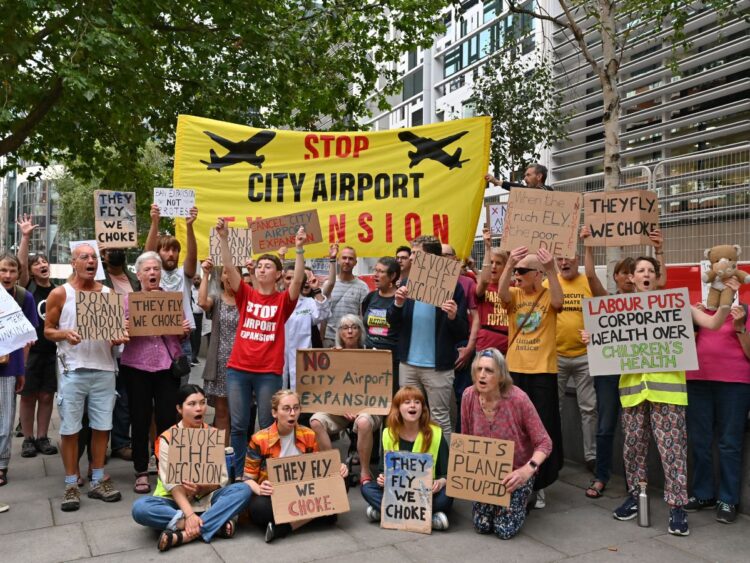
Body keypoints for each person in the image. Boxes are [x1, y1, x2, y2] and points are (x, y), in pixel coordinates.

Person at [582, 256, 732, 536]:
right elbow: (602, 338)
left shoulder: (674, 305)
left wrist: (726, 299)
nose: (646, 274)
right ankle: (635, 498)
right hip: (633, 392)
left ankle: (677, 507)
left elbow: (711, 324)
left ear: (655, 276)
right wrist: (593, 338)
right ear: (632, 278)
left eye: (650, 270)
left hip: (668, 393)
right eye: (640, 270)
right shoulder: (618, 311)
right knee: (633, 450)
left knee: (672, 451)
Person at [580, 225, 667, 499]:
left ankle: (636, 484)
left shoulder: (650, 301)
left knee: (637, 432)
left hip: (639, 376)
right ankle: (602, 476)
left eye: (636, 272)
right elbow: (591, 276)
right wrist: (589, 245)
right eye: (626, 273)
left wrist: (659, 250)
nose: (631, 278)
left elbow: (661, 283)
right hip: (609, 374)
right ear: (616, 276)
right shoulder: (607, 303)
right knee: (606, 426)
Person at [217, 218, 306, 476]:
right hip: (238, 370)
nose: (262, 269)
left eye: (268, 266)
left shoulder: (283, 301)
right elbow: (230, 269)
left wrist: (299, 250)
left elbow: (298, 282)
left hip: (268, 372)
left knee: (268, 424)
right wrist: (223, 238)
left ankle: (266, 473)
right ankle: (239, 475)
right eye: (259, 266)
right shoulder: (245, 294)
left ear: (278, 274)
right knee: (238, 426)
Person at [45, 244, 128, 511]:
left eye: (94, 258)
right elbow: (48, 330)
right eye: (85, 257)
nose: (91, 261)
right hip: (73, 371)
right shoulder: (60, 293)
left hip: (104, 370)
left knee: (102, 427)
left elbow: (117, 335)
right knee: (70, 429)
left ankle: (97, 479)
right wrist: (64, 334)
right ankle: (71, 483)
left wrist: (118, 338)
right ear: (73, 263)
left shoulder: (107, 293)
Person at [131, 384, 251, 551]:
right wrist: (189, 514)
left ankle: (184, 534)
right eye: (192, 404)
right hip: (174, 502)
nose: (199, 408)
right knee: (140, 508)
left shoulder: (212, 433)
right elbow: (172, 485)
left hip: (207, 499)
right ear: (179, 409)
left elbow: (221, 480)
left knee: (243, 490)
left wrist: (202, 486)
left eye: (202, 403)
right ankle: (209, 524)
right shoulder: (167, 438)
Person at [461, 348, 552, 539]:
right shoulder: (468, 396)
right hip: (485, 474)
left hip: (516, 473)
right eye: (478, 369)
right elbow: (466, 439)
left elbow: (544, 442)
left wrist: (527, 471)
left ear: (501, 375)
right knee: (482, 526)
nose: (482, 375)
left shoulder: (519, 399)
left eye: (489, 370)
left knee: (504, 530)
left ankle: (527, 496)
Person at [498, 246, 563, 509]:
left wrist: (552, 269)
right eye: (516, 271)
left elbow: (559, 302)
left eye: (522, 271)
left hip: (543, 372)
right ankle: (515, 479)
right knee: (515, 428)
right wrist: (509, 264)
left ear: (537, 274)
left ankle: (540, 483)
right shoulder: (514, 294)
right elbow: (501, 293)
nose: (517, 275)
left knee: (542, 429)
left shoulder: (548, 295)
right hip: (515, 370)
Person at [121, 251, 191, 494]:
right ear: (138, 274)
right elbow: (120, 334)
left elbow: (181, 333)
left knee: (166, 420)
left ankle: (165, 469)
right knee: (139, 419)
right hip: (136, 366)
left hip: (166, 367)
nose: (152, 273)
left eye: (156, 269)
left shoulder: (172, 299)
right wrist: (125, 327)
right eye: (147, 269)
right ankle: (141, 470)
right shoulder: (128, 301)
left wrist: (183, 330)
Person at [387, 235, 468, 441]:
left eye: (417, 254)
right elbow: (393, 323)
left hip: (437, 368)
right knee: (408, 417)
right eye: (412, 253)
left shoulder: (453, 287)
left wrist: (452, 316)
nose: (412, 258)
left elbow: (461, 332)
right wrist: (397, 304)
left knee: (439, 418)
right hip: (408, 365)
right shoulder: (406, 283)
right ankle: (413, 463)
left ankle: (443, 467)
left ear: (432, 257)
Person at [244, 389, 348, 543]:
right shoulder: (259, 440)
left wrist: (338, 469)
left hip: (304, 494)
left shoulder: (309, 435)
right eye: (286, 409)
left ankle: (285, 527)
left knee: (342, 483)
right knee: (258, 508)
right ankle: (320, 515)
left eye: (296, 408)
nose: (292, 413)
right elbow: (246, 478)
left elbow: (319, 470)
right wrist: (259, 488)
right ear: (274, 413)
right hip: (275, 496)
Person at [684, 302, 750, 524]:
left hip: (735, 382)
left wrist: (740, 326)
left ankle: (728, 499)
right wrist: (692, 322)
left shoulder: (745, 311)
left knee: (730, 442)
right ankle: (703, 494)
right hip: (696, 381)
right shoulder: (698, 311)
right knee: (700, 440)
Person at [360, 386, 452, 530]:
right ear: (398, 408)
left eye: (417, 402)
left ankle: (385, 513)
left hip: (426, 494)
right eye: (407, 402)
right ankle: (428, 518)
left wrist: (440, 483)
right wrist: (382, 479)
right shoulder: (388, 434)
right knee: (367, 488)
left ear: (422, 408)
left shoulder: (436, 434)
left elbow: (447, 475)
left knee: (447, 495)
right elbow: (382, 472)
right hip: (398, 495)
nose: (412, 405)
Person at [310, 314, 381, 486]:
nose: (349, 331)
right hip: (338, 409)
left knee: (364, 422)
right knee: (316, 421)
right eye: (344, 328)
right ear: (339, 333)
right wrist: (341, 408)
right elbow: (325, 390)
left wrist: (359, 408)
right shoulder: (331, 355)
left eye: (354, 327)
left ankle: (365, 470)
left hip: (368, 409)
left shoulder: (372, 354)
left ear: (360, 331)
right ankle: (334, 467)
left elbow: (378, 388)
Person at [542, 252, 597, 474]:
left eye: (569, 259)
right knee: (554, 409)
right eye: (560, 259)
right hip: (556, 356)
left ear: (578, 260)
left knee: (590, 408)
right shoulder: (548, 283)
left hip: (585, 356)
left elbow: (602, 313)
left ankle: (591, 456)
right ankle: (552, 455)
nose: (564, 263)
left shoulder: (589, 283)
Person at [15, 215, 57, 458]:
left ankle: (42, 437)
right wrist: (25, 237)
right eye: (37, 263)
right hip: (30, 351)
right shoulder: (27, 288)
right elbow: (20, 265)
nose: (42, 264)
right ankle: (28, 438)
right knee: (29, 395)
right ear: (30, 270)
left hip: (52, 352)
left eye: (45, 262)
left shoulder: (58, 290)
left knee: (46, 395)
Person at [0, 253, 38, 487]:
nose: (8, 275)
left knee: (4, 421)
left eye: (12, 271)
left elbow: (27, 339)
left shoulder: (25, 297)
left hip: (9, 367)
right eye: (3, 270)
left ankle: (1, 465)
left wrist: (22, 369)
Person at [100, 247, 141, 462]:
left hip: (131, 348)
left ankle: (120, 442)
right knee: (104, 400)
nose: (114, 251)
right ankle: (97, 448)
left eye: (118, 247)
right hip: (107, 348)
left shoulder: (134, 279)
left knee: (125, 399)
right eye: (108, 249)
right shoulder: (99, 278)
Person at [145, 203, 198, 365]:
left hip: (182, 340)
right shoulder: (153, 273)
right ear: (158, 253)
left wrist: (189, 226)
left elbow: (192, 255)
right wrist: (155, 222)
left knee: (182, 389)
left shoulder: (184, 273)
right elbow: (147, 254)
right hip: (155, 339)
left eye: (175, 250)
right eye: (166, 250)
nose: (171, 254)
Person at [198, 258, 238, 439]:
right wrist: (205, 274)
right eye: (225, 272)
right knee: (221, 413)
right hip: (220, 365)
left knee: (239, 414)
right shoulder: (217, 300)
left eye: (233, 272)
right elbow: (201, 302)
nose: (229, 276)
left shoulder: (247, 299)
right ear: (221, 277)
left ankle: (239, 455)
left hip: (242, 364)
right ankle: (223, 455)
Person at [442, 243, 479, 432]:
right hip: (438, 347)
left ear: (455, 260)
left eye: (445, 255)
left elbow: (476, 316)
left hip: (461, 345)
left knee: (463, 396)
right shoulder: (427, 281)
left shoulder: (467, 283)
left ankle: (461, 442)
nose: (440, 258)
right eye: (437, 254)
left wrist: (470, 348)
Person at [282, 262, 332, 390]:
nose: (292, 282)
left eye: (295, 278)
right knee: (278, 398)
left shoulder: (308, 302)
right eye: (288, 278)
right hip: (278, 359)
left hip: (302, 359)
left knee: (301, 396)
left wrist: (316, 290)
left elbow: (323, 315)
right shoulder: (275, 300)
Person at [362, 256, 401, 394]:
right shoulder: (370, 297)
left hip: (393, 361)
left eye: (381, 271)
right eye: (375, 270)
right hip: (369, 357)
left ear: (392, 276)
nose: (375, 275)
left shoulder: (401, 299)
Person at [322, 246, 369, 347]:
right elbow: (322, 312)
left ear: (355, 263)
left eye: (351, 258)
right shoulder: (328, 284)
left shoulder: (363, 286)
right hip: (329, 338)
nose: (347, 261)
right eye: (344, 258)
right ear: (338, 260)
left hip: (350, 340)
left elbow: (362, 316)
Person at [475, 228, 510, 354]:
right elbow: (484, 280)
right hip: (486, 342)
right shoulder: (482, 287)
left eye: (498, 263)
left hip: (508, 344)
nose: (494, 266)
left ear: (505, 266)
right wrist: (487, 248)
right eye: (491, 263)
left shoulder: (513, 286)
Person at [485, 163, 552, 191]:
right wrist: (495, 181)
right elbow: (519, 187)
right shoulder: (527, 193)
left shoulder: (548, 191)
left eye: (528, 175)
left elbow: (521, 188)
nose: (525, 178)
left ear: (539, 176)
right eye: (525, 176)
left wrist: (496, 181)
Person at [190, 275, 203, 365]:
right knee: (192, 337)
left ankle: (195, 357)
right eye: (194, 279)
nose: (196, 280)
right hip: (192, 315)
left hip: (202, 316)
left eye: (198, 278)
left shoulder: (203, 289)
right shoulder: (190, 290)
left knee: (198, 337)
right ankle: (192, 357)